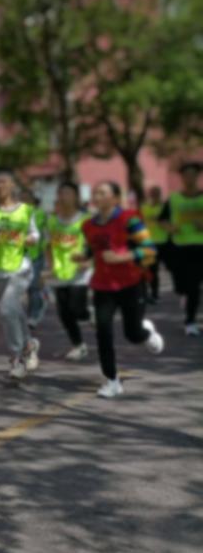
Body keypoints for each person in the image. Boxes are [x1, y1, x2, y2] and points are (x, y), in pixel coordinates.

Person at [78, 181, 164, 397]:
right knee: (103, 332)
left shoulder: (129, 220)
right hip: (102, 286)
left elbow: (150, 250)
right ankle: (112, 380)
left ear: (115, 198)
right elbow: (93, 248)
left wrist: (122, 257)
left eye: (102, 192)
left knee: (132, 334)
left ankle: (146, 332)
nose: (97, 196)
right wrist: (84, 257)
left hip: (131, 284)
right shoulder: (88, 225)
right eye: (95, 192)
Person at [0, 169, 41, 379]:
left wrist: (31, 239)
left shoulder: (25, 210)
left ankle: (16, 357)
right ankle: (29, 344)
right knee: (15, 310)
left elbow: (35, 234)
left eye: (4, 182)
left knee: (6, 311)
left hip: (20, 267)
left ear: (13, 185)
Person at [46, 182, 92, 361]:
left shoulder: (85, 219)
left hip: (79, 271)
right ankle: (78, 345)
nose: (64, 197)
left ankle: (89, 314)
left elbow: (95, 244)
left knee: (77, 308)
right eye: (61, 193)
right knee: (64, 313)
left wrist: (89, 261)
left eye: (68, 193)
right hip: (60, 272)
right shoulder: (52, 221)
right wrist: (51, 266)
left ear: (76, 197)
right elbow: (48, 246)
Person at [158, 162, 203, 336]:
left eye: (193, 174)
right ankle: (185, 294)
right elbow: (162, 220)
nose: (189, 178)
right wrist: (170, 228)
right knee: (182, 286)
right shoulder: (174, 199)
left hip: (200, 246)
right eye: (186, 175)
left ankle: (190, 321)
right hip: (180, 247)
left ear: (197, 176)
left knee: (194, 286)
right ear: (182, 178)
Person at [21, 188, 49, 329]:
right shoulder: (15, 214)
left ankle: (33, 316)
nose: (24, 201)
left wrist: (46, 250)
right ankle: (43, 296)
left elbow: (47, 234)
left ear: (33, 200)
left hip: (36, 255)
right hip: (20, 257)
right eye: (21, 199)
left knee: (32, 287)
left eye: (27, 199)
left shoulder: (41, 214)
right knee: (26, 287)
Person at [140, 185, 170, 304]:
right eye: (153, 194)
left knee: (171, 268)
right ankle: (152, 294)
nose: (155, 196)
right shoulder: (144, 208)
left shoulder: (164, 208)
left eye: (157, 194)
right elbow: (139, 223)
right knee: (150, 270)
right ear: (150, 195)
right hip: (148, 243)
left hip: (164, 242)